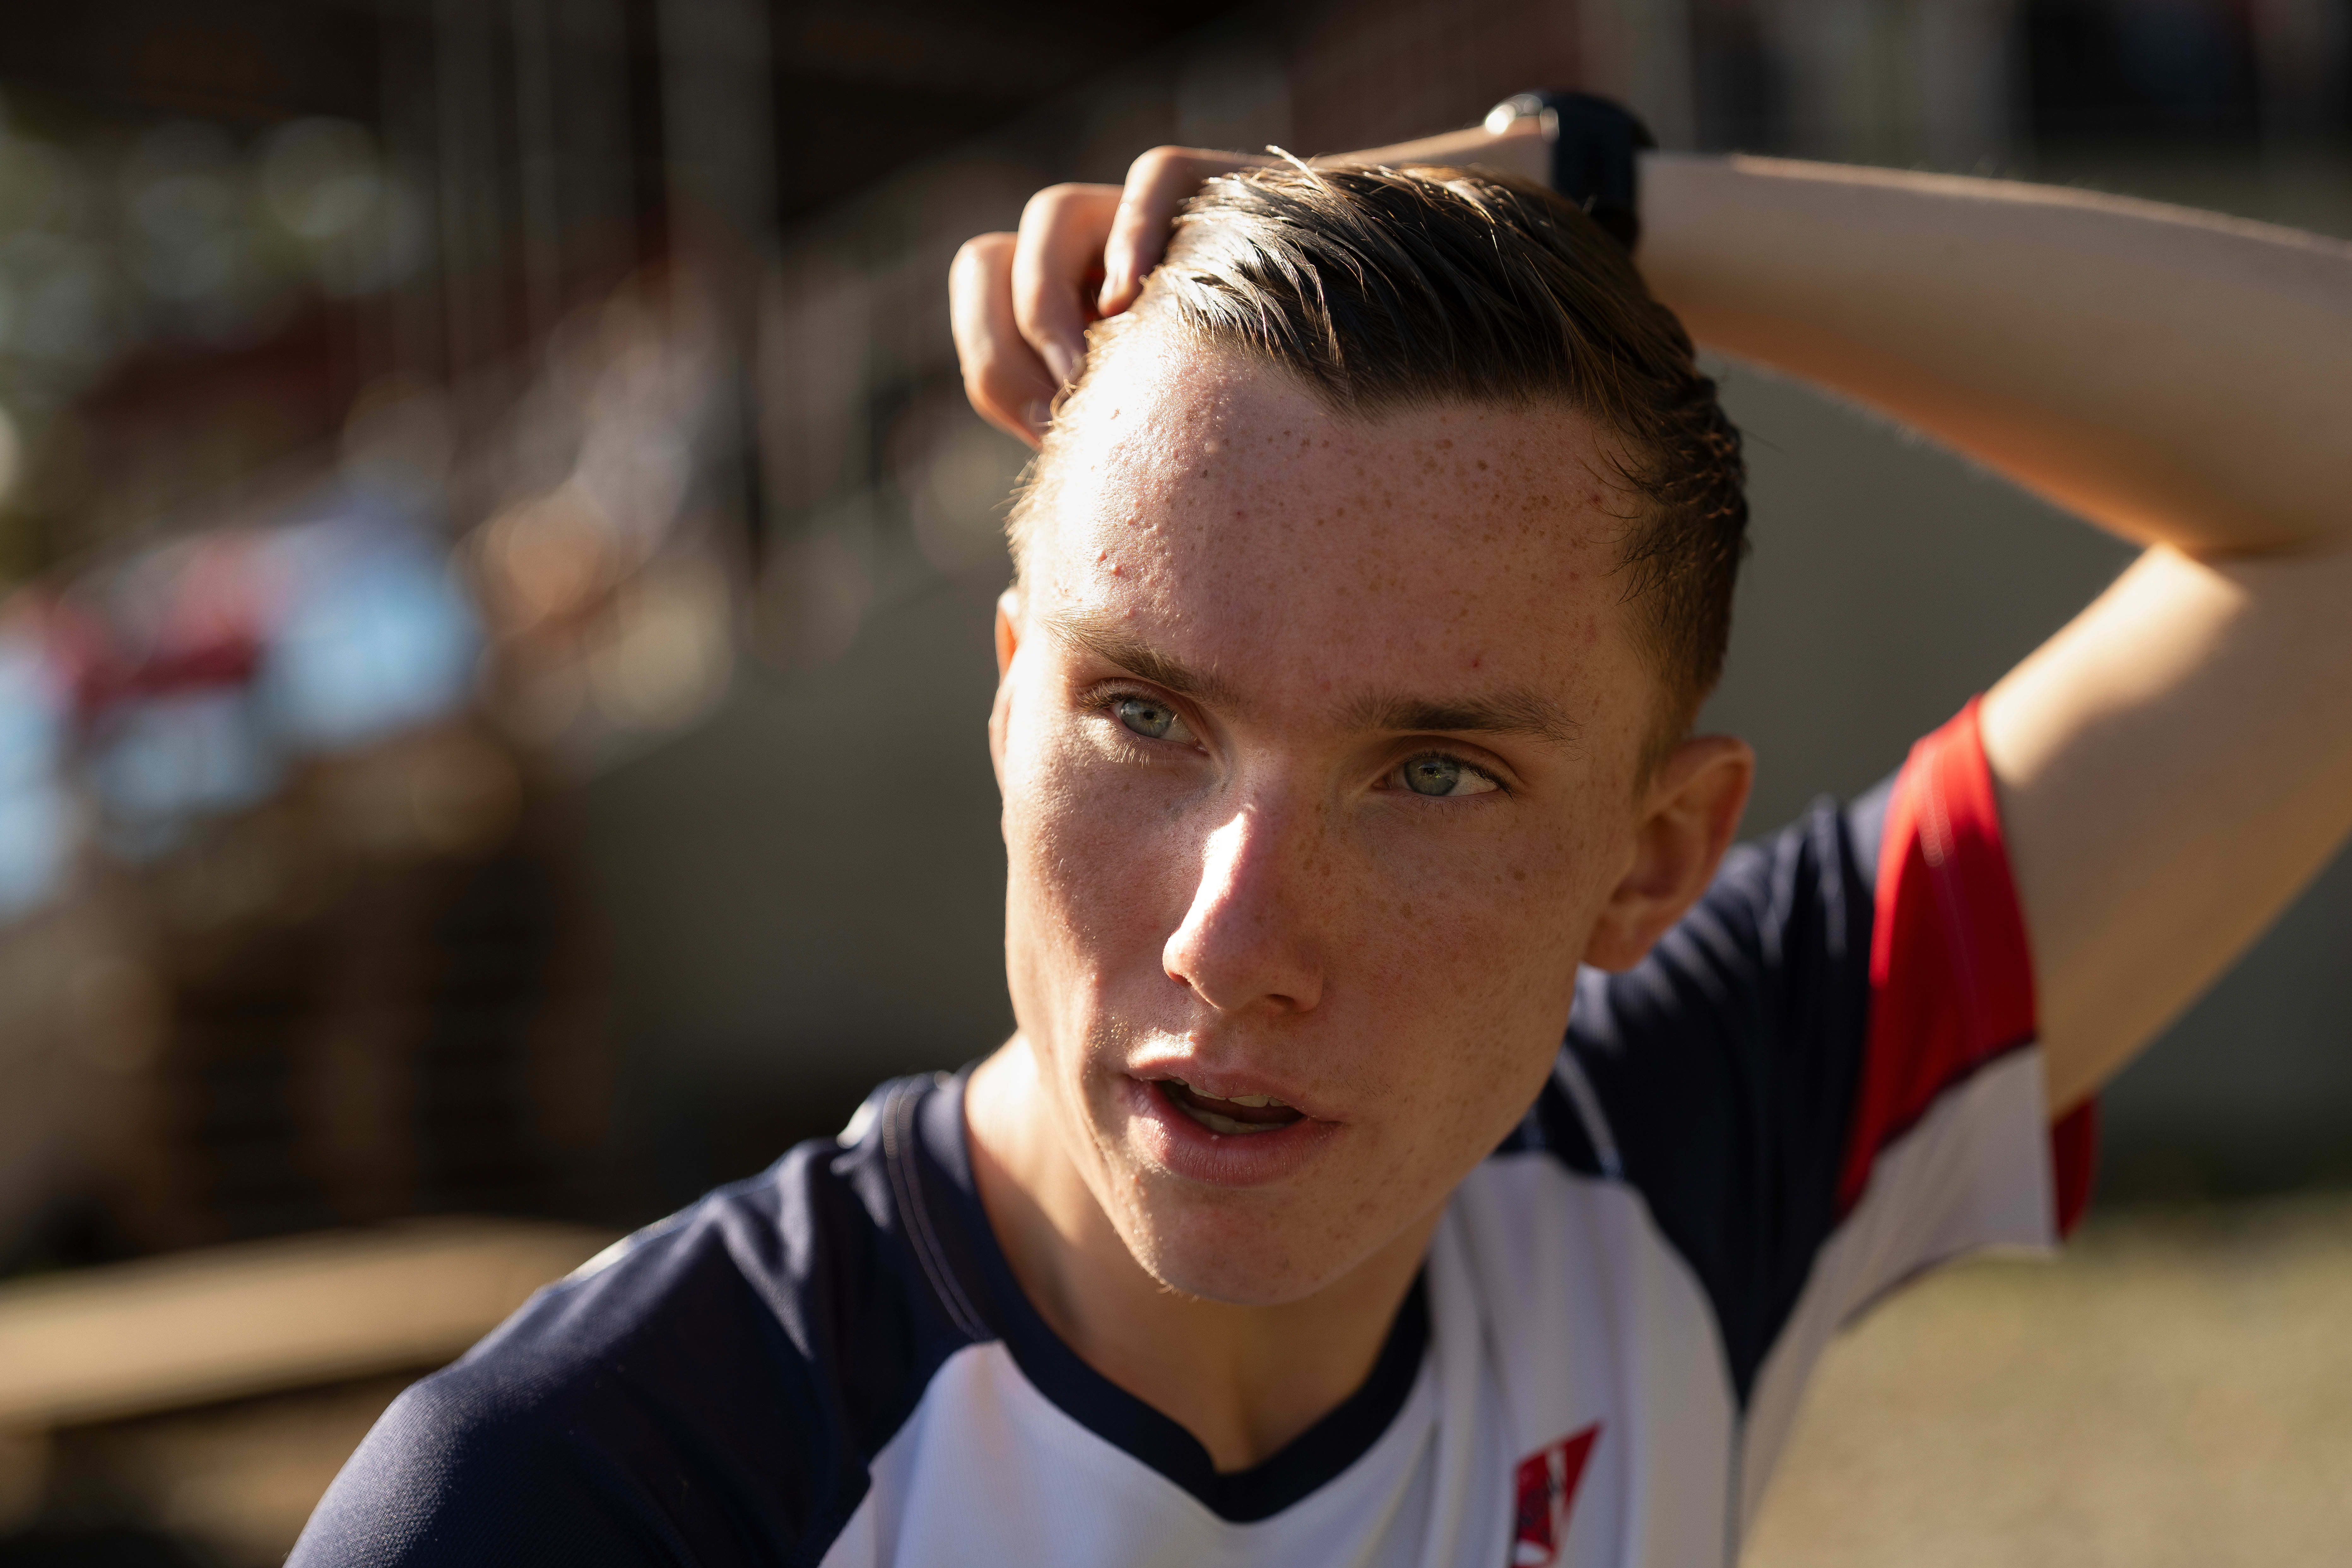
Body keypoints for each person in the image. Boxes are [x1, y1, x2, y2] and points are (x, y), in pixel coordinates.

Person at [291, 97, 2352, 1567]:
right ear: (1008, 705)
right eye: (1143, 715)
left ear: (1653, 859)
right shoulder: (588, 1500)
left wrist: (1592, 193)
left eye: (1435, 773)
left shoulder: (1683, 1165)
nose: (1235, 935)